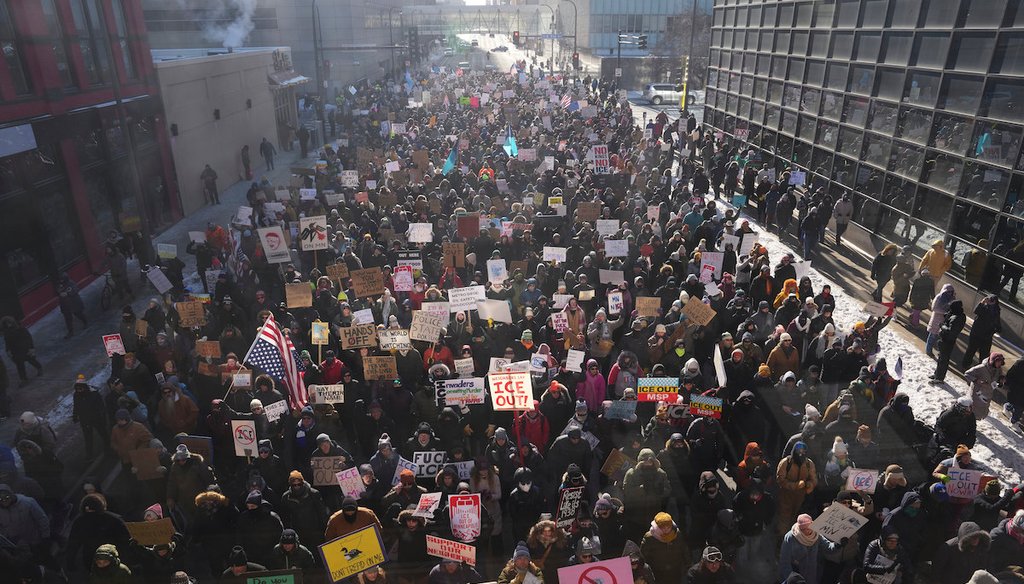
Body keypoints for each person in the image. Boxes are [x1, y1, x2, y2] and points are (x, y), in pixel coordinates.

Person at [778, 514, 840, 584]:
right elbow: (784, 561)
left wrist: (837, 545)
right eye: (803, 529)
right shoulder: (791, 537)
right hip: (795, 577)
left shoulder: (816, 535)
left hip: (811, 576)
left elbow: (828, 548)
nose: (807, 531)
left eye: (808, 528)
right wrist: (791, 578)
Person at [961, 294, 1002, 369]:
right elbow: (976, 311)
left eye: (992, 300)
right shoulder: (983, 306)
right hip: (976, 333)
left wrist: (997, 328)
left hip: (987, 335)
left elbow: (997, 321)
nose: (990, 301)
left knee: (984, 354)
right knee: (971, 350)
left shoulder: (997, 310)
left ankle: (981, 368)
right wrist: (982, 303)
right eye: (989, 299)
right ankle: (965, 365)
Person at [1, 317, 43, 386]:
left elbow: (29, 338)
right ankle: (23, 379)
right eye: (6, 324)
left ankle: (39, 368)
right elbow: (7, 343)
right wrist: (8, 351)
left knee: (31, 360)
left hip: (25, 349)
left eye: (9, 323)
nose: (8, 325)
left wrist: (31, 348)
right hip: (16, 352)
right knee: (20, 366)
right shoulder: (7, 333)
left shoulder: (21, 329)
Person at [931, 300, 965, 383]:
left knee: (943, 359)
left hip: (947, 341)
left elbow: (950, 331)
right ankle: (937, 374)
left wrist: (942, 326)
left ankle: (939, 378)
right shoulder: (956, 314)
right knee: (941, 358)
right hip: (945, 340)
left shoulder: (957, 318)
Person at [56, 273, 88, 338]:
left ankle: (85, 322)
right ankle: (70, 332)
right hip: (65, 304)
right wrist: (60, 293)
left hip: (73, 303)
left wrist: (67, 293)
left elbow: (75, 290)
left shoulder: (71, 283)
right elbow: (58, 291)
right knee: (68, 319)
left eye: (62, 279)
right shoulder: (60, 285)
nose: (61, 281)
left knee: (78, 314)